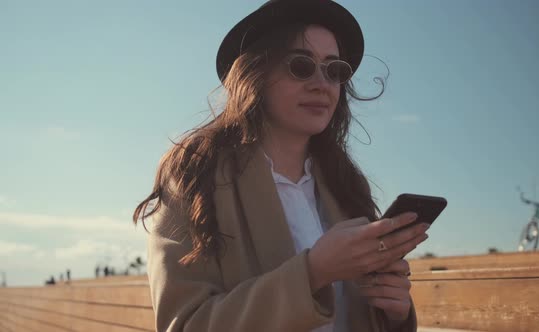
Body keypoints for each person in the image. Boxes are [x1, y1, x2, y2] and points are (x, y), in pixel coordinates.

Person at [134, 1, 429, 331]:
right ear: (256, 73)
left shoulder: (348, 184)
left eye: (335, 71)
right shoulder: (195, 174)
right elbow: (184, 324)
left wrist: (395, 313)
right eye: (301, 66)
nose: (322, 83)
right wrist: (313, 272)